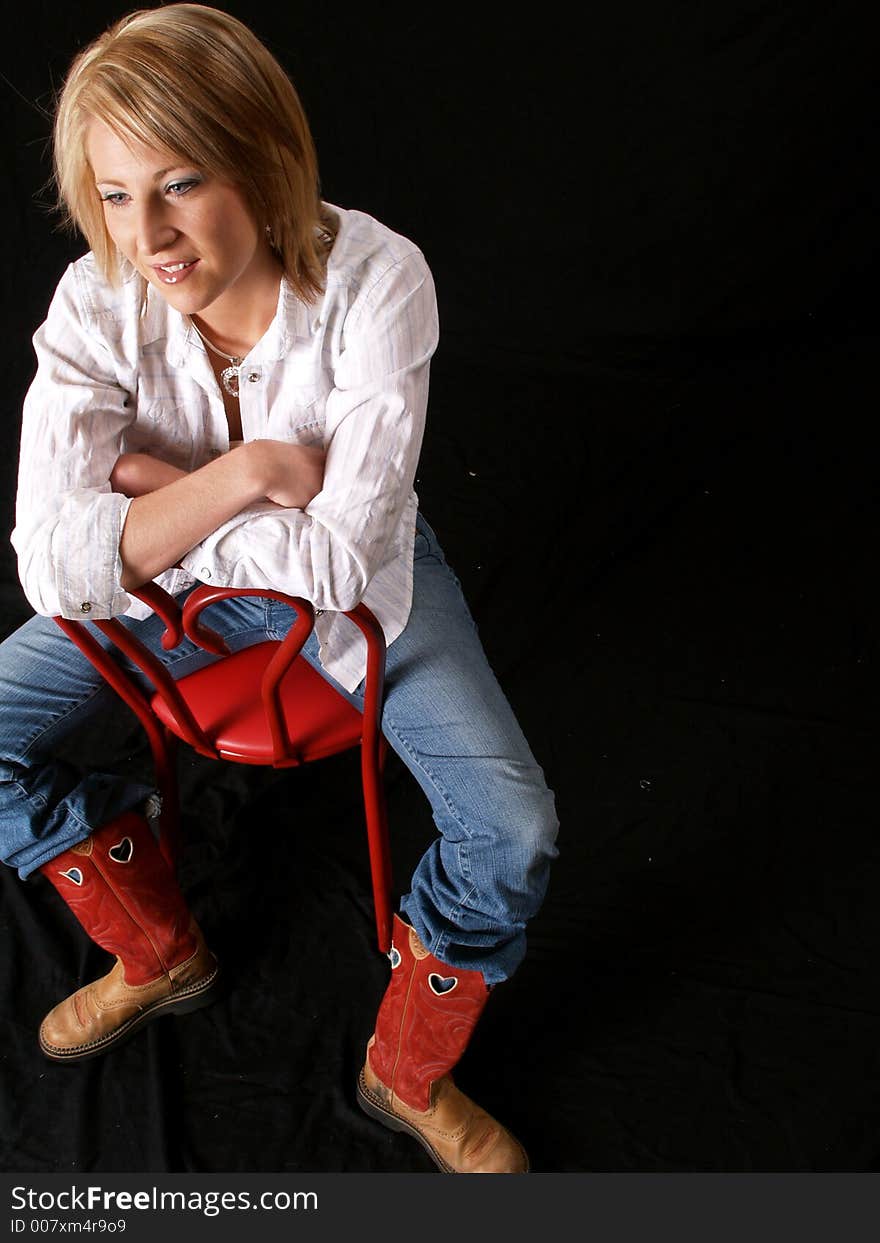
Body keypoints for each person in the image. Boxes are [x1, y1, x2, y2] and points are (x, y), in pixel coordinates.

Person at [2, 3, 559, 1174]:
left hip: (360, 610)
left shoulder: (378, 278)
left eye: (181, 182)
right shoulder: (93, 302)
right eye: (113, 195)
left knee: (514, 828)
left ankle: (406, 1070)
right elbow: (50, 562)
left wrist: (151, 499)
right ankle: (159, 951)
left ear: (259, 157)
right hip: (159, 608)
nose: (146, 233)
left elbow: (341, 563)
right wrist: (251, 476)